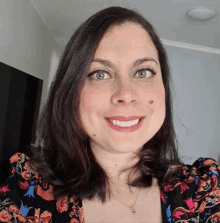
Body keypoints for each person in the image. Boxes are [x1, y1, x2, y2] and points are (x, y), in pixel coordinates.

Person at [0, 6, 220, 223]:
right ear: (71, 91)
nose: (125, 94)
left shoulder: (203, 191)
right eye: (100, 73)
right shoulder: (25, 191)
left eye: (143, 72)